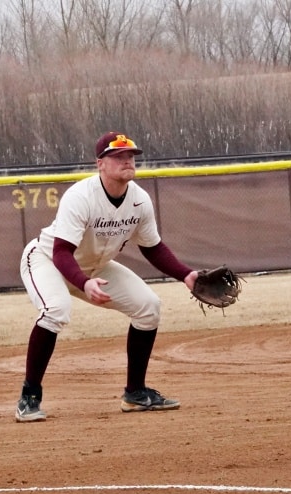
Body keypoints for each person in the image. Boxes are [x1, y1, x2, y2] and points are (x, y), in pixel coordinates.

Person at [16, 131, 199, 422]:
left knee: (148, 307)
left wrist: (186, 275)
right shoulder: (80, 196)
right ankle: (30, 396)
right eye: (118, 156)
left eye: (130, 155)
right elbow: (62, 252)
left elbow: (152, 247)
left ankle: (135, 393)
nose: (127, 160)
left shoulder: (139, 200)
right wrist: (84, 283)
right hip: (47, 261)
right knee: (56, 310)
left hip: (94, 268)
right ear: (100, 163)